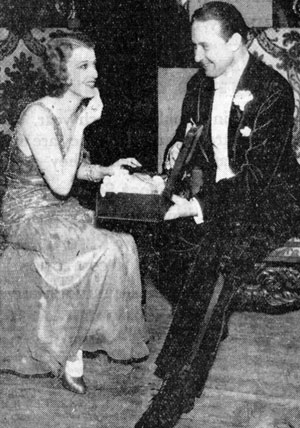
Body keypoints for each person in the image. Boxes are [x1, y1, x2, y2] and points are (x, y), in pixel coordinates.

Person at [135, 2, 300, 427]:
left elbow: (256, 179)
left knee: (217, 256)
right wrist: (174, 155)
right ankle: (206, 321)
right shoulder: (199, 84)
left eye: (204, 47)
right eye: (193, 46)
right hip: (214, 195)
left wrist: (198, 206)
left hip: (269, 202)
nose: (196, 57)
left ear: (235, 42)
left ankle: (178, 389)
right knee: (154, 242)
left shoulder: (273, 92)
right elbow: (185, 137)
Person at [0, 35, 149, 394]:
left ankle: (79, 335)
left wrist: (106, 170)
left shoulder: (72, 109)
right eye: (83, 66)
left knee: (123, 244)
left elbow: (76, 169)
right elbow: (63, 184)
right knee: (99, 251)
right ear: (61, 74)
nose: (94, 73)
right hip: (26, 212)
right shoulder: (38, 115)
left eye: (94, 64)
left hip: (57, 209)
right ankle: (70, 353)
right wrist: (83, 126)